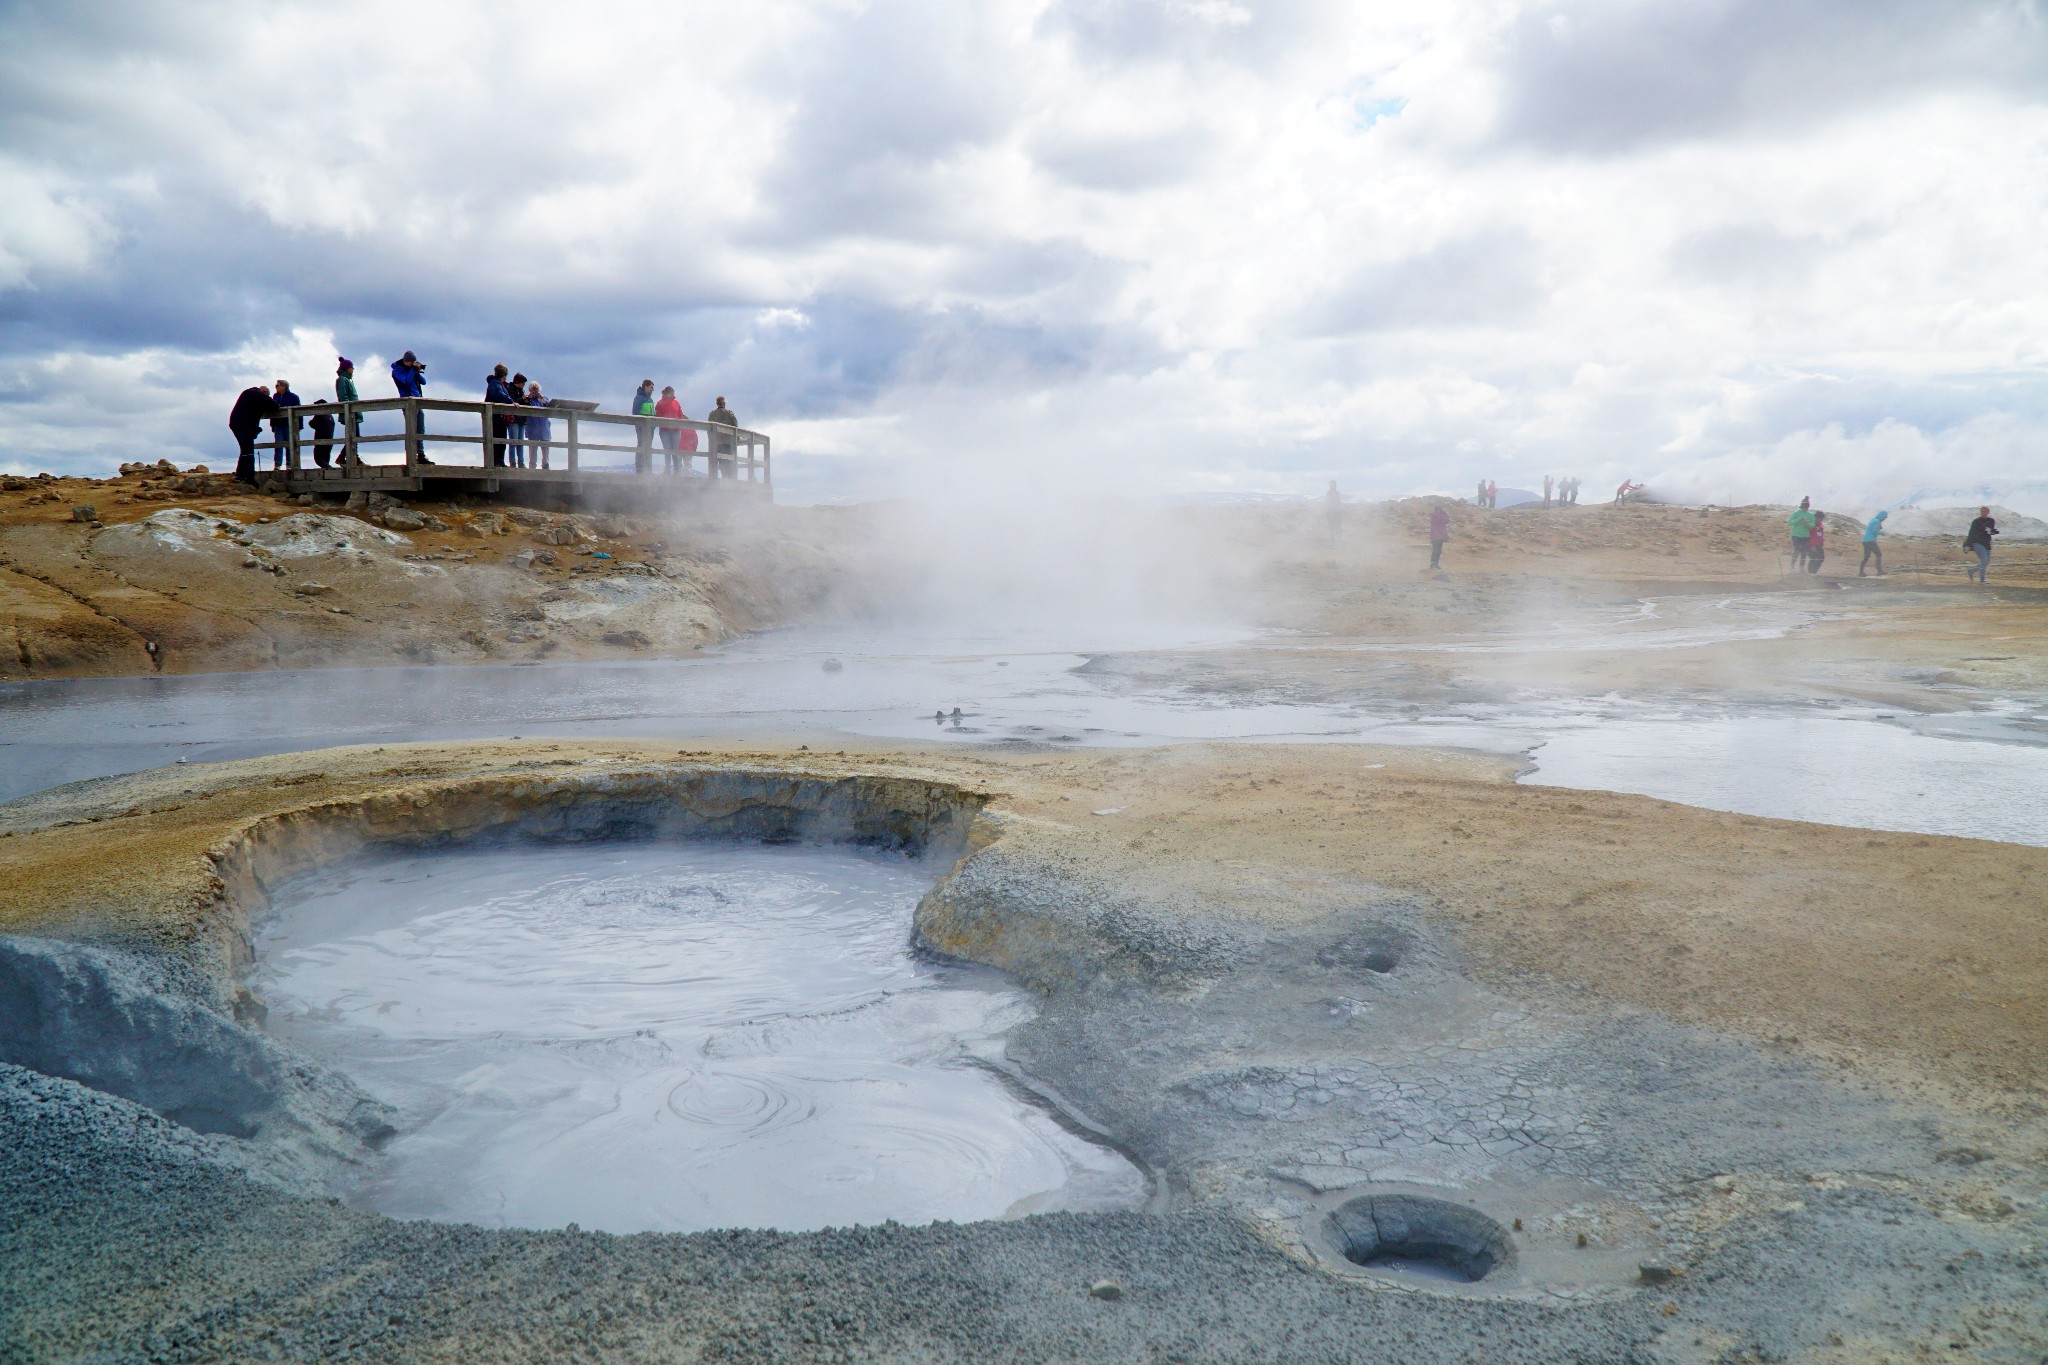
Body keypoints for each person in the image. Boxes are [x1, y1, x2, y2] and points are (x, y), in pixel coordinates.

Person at [229, 384, 281, 484]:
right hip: (245, 425)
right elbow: (275, 405)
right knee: (248, 450)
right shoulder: (258, 395)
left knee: (245, 449)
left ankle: (240, 474)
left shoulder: (248, 392)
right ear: (265, 393)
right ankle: (249, 477)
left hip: (235, 423)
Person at [391, 350, 429, 462]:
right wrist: (412, 370)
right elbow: (406, 381)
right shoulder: (397, 371)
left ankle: (421, 454)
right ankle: (412, 456)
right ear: (406, 361)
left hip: (417, 401)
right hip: (407, 402)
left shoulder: (411, 370)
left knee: (420, 428)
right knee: (411, 428)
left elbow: (423, 382)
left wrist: (417, 370)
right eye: (411, 362)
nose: (412, 364)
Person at [485, 364, 516, 468]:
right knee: (498, 439)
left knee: (501, 439)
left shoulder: (497, 383)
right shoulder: (495, 383)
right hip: (495, 417)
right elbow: (498, 395)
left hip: (497, 417)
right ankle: (496, 462)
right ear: (504, 374)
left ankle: (500, 461)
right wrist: (511, 402)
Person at [335, 357, 362, 466]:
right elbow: (343, 396)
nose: (353, 370)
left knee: (355, 435)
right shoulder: (343, 380)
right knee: (353, 435)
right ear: (347, 368)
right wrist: (349, 410)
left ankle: (353, 458)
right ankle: (344, 458)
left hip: (353, 412)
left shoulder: (347, 379)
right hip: (350, 413)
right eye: (351, 368)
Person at [269, 379, 301, 469]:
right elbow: (272, 412)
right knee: (278, 445)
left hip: (289, 425)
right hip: (278, 424)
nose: (275, 387)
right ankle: (278, 465)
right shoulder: (275, 396)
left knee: (289, 444)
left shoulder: (293, 397)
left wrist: (299, 426)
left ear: (284, 387)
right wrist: (272, 425)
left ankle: (289, 464)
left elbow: (299, 412)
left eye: (277, 385)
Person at [655, 385, 687, 473]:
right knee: (667, 450)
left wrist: (679, 422)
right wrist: (666, 421)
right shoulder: (660, 403)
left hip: (675, 430)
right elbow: (658, 415)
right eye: (672, 393)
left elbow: (680, 414)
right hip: (665, 430)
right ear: (667, 393)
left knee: (675, 450)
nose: (673, 394)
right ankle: (667, 470)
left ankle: (677, 471)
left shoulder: (676, 402)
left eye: (673, 393)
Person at [1964, 507, 1999, 583]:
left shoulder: (1991, 520)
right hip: (1977, 543)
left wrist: (1993, 532)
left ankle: (1971, 571)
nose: (1983, 512)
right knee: (1984, 560)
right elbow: (1971, 533)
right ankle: (1982, 580)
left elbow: (1991, 531)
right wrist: (1967, 545)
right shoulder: (1976, 521)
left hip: (1987, 543)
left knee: (1986, 562)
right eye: (1982, 511)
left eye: (1985, 511)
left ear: (1988, 512)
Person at [706, 395, 739, 478]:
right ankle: (729, 479)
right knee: (729, 462)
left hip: (717, 443)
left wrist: (711, 440)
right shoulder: (730, 414)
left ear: (717, 404)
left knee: (720, 462)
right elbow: (735, 426)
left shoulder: (712, 414)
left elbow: (709, 429)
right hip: (728, 443)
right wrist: (737, 439)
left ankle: (723, 477)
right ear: (724, 403)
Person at [524, 383, 553, 469]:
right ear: (530, 390)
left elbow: (549, 406)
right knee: (533, 449)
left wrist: (542, 399)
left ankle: (545, 465)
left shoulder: (544, 399)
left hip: (544, 428)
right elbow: (525, 405)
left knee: (545, 449)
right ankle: (532, 467)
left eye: (536, 389)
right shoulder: (528, 400)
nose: (535, 391)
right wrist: (528, 398)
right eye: (533, 389)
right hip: (533, 427)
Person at [632, 380, 657, 474]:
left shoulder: (650, 400)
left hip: (650, 428)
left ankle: (647, 468)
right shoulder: (639, 398)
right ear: (645, 387)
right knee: (641, 445)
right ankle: (639, 468)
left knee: (649, 446)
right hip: (641, 426)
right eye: (651, 387)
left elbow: (653, 414)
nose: (653, 389)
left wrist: (653, 425)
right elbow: (635, 412)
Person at [507, 372, 529, 468]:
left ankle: (521, 462)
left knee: (521, 442)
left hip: (521, 419)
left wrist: (527, 400)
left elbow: (523, 403)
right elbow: (512, 401)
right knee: (513, 441)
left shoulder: (521, 391)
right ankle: (512, 462)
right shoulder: (510, 389)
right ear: (519, 382)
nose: (523, 386)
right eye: (523, 383)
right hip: (514, 419)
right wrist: (522, 399)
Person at [1787, 498, 1815, 571]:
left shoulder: (1810, 515)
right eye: (1803, 507)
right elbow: (1790, 522)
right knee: (1797, 550)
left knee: (1804, 551)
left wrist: (1807, 523)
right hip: (1796, 535)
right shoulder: (1796, 513)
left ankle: (1801, 567)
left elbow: (1812, 525)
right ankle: (1792, 566)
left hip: (1805, 536)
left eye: (1806, 508)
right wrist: (1799, 520)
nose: (1804, 509)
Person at [308, 400, 336, 469]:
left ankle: (330, 469)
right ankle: (328, 471)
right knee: (325, 459)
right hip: (330, 440)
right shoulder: (330, 416)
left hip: (320, 440)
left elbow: (312, 423)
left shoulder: (319, 414)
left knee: (318, 458)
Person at [1860, 510, 1888, 576]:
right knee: (1878, 554)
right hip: (1870, 540)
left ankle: (1860, 572)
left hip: (1865, 540)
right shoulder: (1877, 521)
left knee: (1866, 556)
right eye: (1884, 517)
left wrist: (1879, 528)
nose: (1884, 519)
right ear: (1882, 516)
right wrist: (1881, 533)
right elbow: (1874, 531)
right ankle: (1879, 571)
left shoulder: (1873, 520)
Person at [1428, 502, 1449, 570]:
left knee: (1439, 550)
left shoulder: (1440, 515)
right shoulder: (1434, 516)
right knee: (1435, 550)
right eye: (1440, 509)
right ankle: (1433, 564)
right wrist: (1444, 514)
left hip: (1440, 536)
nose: (1441, 510)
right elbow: (1444, 521)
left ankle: (1436, 564)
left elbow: (1447, 520)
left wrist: (1444, 513)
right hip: (1435, 536)